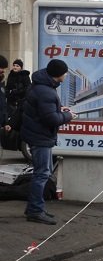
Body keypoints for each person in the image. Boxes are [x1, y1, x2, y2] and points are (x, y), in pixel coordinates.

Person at [20, 59, 77, 225]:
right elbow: (50, 119)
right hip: (40, 137)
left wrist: (59, 109)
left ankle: (34, 207)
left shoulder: (42, 86)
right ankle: (35, 211)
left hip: (37, 135)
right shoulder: (47, 91)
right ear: (59, 75)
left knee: (43, 171)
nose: (66, 75)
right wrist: (68, 116)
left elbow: (44, 111)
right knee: (42, 173)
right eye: (65, 72)